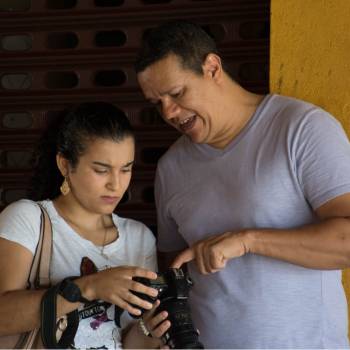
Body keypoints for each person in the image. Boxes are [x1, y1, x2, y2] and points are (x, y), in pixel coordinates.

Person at [134, 20, 350, 348]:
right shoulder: (170, 168)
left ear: (212, 67)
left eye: (176, 93)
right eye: (156, 103)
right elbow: (174, 272)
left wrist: (247, 241)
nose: (169, 112)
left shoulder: (300, 129)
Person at [0, 102, 170, 349]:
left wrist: (150, 333)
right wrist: (89, 287)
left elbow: (124, 338)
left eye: (126, 169)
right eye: (101, 170)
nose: (116, 184)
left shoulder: (139, 237)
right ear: (65, 165)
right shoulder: (28, 219)